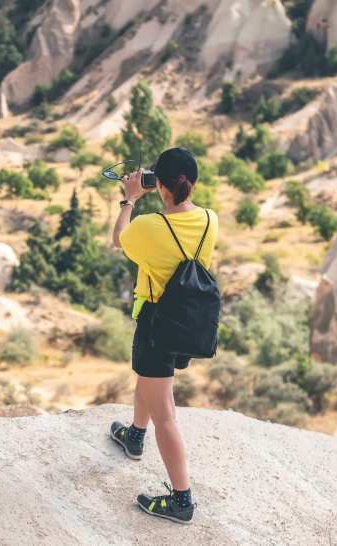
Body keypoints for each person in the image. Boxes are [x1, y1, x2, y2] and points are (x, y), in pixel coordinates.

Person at [109, 147, 218, 525]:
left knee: (166, 415)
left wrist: (130, 198)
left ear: (161, 186)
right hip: (188, 317)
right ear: (192, 182)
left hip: (157, 322)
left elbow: (119, 239)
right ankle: (134, 435)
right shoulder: (210, 220)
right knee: (150, 378)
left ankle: (181, 500)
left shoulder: (149, 226)